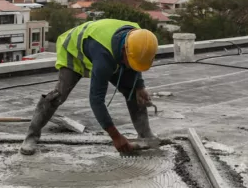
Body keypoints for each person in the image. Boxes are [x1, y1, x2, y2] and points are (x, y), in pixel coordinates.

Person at [20, 18, 159, 156]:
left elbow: (136, 61)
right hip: (73, 50)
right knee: (58, 95)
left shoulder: (139, 39)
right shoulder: (104, 57)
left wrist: (139, 86)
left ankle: (145, 135)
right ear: (124, 50)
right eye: (130, 62)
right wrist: (116, 137)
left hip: (104, 51)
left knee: (134, 93)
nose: (131, 67)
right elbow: (96, 101)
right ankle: (31, 137)